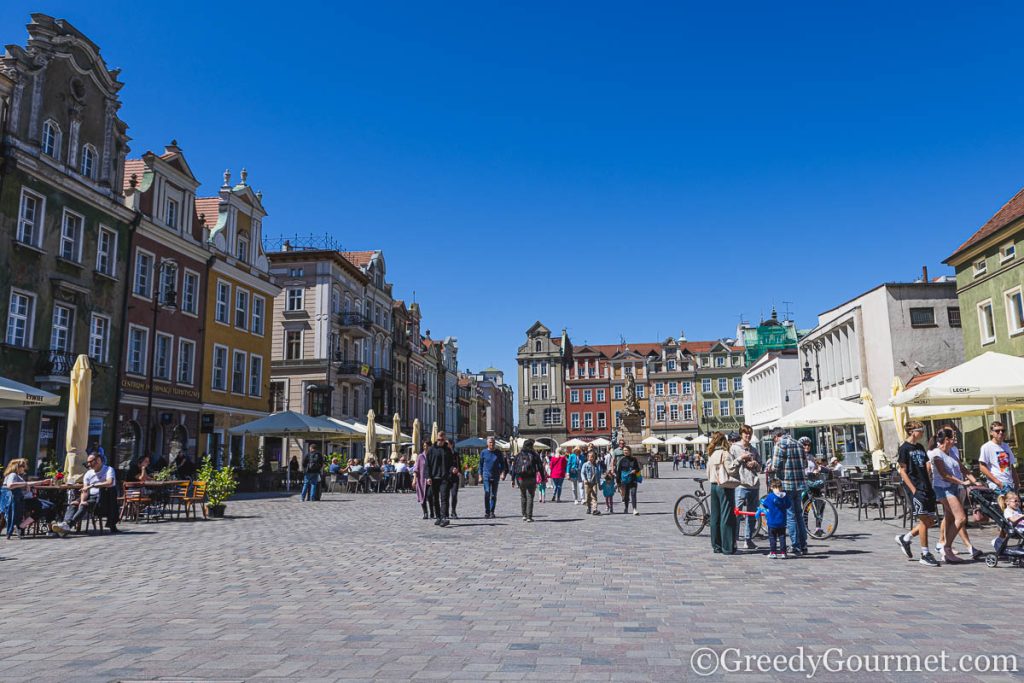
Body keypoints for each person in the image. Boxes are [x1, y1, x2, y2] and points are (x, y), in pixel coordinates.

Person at [928, 427, 981, 563]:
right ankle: (946, 548)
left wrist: (976, 482)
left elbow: (962, 468)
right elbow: (944, 474)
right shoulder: (936, 453)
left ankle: (946, 548)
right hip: (943, 488)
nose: (955, 439)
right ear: (947, 439)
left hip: (954, 487)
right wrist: (962, 482)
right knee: (961, 518)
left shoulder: (951, 451)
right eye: (954, 437)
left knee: (950, 518)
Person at [895, 421, 940, 567]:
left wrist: (929, 471)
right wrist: (913, 489)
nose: (922, 433)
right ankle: (925, 553)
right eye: (921, 430)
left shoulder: (920, 447)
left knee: (930, 521)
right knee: (924, 521)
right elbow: (902, 470)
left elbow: (926, 463)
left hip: (926, 486)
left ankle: (906, 538)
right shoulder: (904, 448)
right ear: (912, 431)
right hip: (916, 488)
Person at [51, 453, 118, 536]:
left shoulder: (108, 470)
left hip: (102, 497)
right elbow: (85, 490)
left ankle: (67, 526)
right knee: (74, 504)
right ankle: (66, 525)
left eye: (91, 462)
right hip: (89, 496)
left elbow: (109, 482)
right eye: (88, 462)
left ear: (98, 460)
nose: (89, 464)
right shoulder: (88, 473)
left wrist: (93, 485)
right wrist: (82, 500)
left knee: (84, 505)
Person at [769, 427, 808, 556]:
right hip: (800, 484)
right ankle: (804, 545)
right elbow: (805, 464)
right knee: (799, 515)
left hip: (787, 484)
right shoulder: (799, 444)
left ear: (776, 436)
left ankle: (795, 545)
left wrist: (770, 468)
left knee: (790, 516)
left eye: (773, 439)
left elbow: (776, 465)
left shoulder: (780, 444)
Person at [707, 432, 740, 553]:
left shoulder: (712, 454)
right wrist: (739, 460)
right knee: (727, 516)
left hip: (713, 485)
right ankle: (727, 546)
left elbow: (708, 472)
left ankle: (716, 546)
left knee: (715, 517)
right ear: (724, 441)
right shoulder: (725, 453)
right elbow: (731, 469)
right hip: (724, 486)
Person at [3, 459, 54, 537]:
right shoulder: (12, 475)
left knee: (51, 506)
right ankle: (21, 526)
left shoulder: (17, 476)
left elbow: (26, 484)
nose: (24, 468)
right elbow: (10, 485)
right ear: (17, 467)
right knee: (47, 507)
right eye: (23, 466)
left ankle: (22, 526)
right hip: (22, 501)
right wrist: (26, 484)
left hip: (26, 499)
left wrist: (41, 482)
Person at [730, 426, 762, 550]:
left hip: (754, 484)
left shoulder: (754, 449)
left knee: (752, 514)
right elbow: (730, 466)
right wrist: (741, 458)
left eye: (749, 434)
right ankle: (734, 539)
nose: (748, 436)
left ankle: (748, 539)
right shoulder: (734, 448)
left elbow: (760, 468)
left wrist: (756, 464)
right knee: (737, 513)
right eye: (745, 434)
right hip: (740, 484)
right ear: (741, 434)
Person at [979, 421, 1019, 494]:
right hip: (997, 485)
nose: (1001, 432)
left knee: (1013, 505)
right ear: (991, 433)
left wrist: (1016, 482)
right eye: (997, 431)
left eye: (1003, 430)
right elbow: (982, 467)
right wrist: (997, 482)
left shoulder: (1006, 446)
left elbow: (1010, 466)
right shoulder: (987, 447)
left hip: (1009, 483)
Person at [426, 431, 457, 527]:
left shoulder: (447, 450)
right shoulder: (431, 450)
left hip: (444, 478)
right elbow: (428, 465)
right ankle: (438, 517)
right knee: (435, 499)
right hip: (434, 478)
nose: (440, 441)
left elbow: (451, 463)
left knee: (444, 498)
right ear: (436, 439)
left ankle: (444, 517)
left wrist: (453, 469)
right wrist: (428, 477)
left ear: (445, 440)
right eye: (439, 439)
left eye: (442, 440)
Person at [512, 439, 545, 522]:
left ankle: (524, 515)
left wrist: (513, 479)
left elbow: (514, 468)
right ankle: (529, 517)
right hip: (531, 477)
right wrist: (543, 478)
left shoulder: (519, 455)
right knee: (530, 496)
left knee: (523, 496)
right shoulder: (534, 455)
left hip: (521, 478)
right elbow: (540, 467)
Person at [479, 436, 508, 519]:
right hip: (486, 475)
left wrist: (502, 473)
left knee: (493, 495)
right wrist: (480, 475)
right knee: (487, 493)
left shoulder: (498, 453)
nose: (492, 444)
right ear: (487, 444)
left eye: (493, 442)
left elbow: (502, 464)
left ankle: (492, 511)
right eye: (490, 442)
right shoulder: (483, 452)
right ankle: (487, 512)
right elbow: (480, 465)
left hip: (495, 476)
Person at [762, 479, 791, 559]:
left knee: (772, 538)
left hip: (772, 521)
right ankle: (783, 553)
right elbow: (789, 505)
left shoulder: (770, 496)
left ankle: (773, 552)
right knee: (782, 537)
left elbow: (765, 504)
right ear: (781, 487)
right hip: (782, 521)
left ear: (771, 487)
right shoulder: (785, 496)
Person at [617, 445, 642, 515]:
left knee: (633, 493)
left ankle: (634, 509)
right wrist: (618, 481)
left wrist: (635, 470)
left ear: (630, 451)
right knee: (626, 495)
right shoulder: (621, 460)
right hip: (625, 480)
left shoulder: (634, 459)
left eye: (627, 450)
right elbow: (619, 471)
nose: (625, 452)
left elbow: (638, 468)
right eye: (624, 450)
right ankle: (626, 507)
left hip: (633, 478)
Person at [414, 441, 436, 519]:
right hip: (421, 480)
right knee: (422, 497)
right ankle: (425, 513)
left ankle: (432, 512)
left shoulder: (433, 456)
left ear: (430, 446)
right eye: (424, 446)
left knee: (430, 496)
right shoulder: (420, 456)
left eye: (426, 446)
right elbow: (416, 469)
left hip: (431, 480)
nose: (425, 447)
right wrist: (414, 480)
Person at [580, 450, 601, 515]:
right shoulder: (585, 464)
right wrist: (584, 480)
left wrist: (599, 483)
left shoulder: (596, 465)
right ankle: (588, 508)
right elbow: (582, 473)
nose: (592, 458)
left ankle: (594, 509)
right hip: (587, 482)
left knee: (594, 496)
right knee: (588, 496)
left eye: (593, 457)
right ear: (588, 457)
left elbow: (598, 474)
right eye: (590, 457)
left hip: (594, 482)